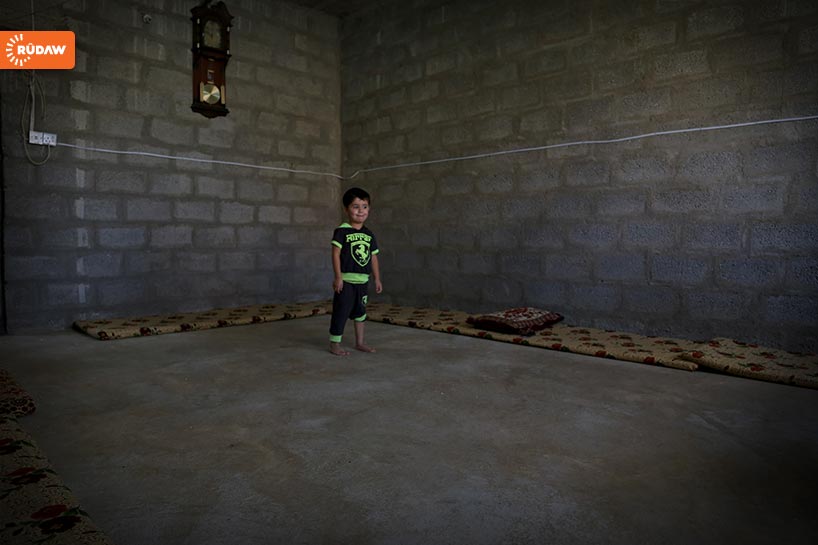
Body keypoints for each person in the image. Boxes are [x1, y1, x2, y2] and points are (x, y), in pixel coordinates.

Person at [329, 187, 383, 356]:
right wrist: (338, 277)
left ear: (369, 209)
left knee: (360, 313)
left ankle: (360, 342)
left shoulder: (369, 234)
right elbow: (335, 254)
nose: (361, 211)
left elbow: (373, 257)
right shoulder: (341, 231)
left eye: (364, 206)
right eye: (355, 206)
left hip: (363, 281)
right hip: (346, 281)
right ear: (346, 209)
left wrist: (377, 278)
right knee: (341, 311)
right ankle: (335, 344)